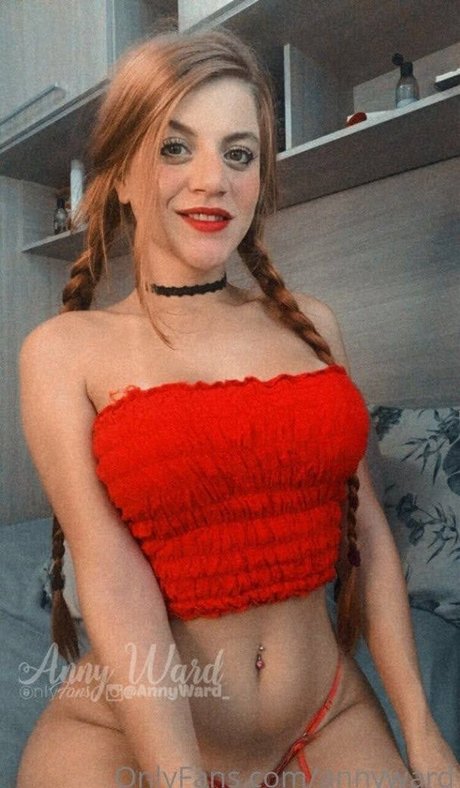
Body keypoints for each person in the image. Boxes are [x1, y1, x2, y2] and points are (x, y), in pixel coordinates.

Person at [17, 23, 459, 788]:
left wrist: (423, 737)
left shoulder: (313, 326)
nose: (212, 180)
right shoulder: (63, 352)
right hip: (128, 734)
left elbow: (368, 533)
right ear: (120, 177)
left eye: (239, 153)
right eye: (176, 147)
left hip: (324, 716)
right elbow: (111, 577)